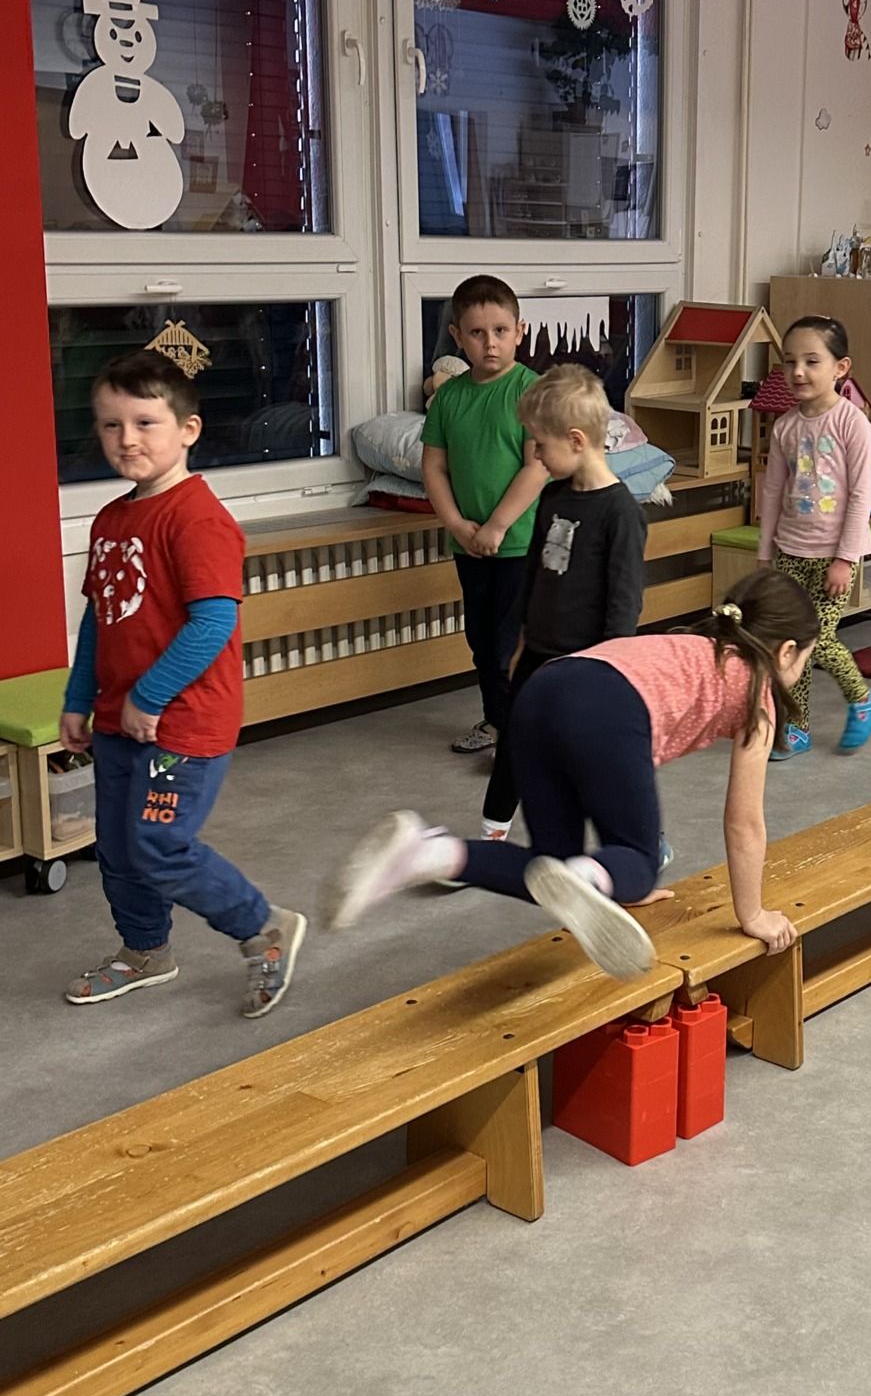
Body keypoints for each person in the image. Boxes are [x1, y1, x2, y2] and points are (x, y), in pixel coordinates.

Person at [323, 570, 818, 979]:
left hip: (544, 690)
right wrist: (753, 914)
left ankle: (424, 853)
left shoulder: (691, 645)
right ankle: (587, 877)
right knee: (639, 862)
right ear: (786, 651)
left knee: (550, 869)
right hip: (607, 709)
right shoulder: (758, 695)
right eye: (807, 659)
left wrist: (616, 879)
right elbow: (744, 823)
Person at [58, 352, 305, 1014]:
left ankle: (263, 927)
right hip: (118, 719)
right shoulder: (111, 520)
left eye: (145, 422)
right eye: (111, 425)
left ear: (188, 429)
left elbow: (212, 623)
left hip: (183, 724)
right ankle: (145, 952)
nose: (127, 439)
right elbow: (102, 618)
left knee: (159, 845)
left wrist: (149, 695)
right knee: (118, 848)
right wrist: (79, 699)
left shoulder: (197, 519)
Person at [479, 364, 646, 841]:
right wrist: (521, 641)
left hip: (589, 663)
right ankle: (491, 834)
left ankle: (641, 836)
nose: (534, 454)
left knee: (591, 759)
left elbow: (624, 602)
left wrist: (609, 672)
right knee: (515, 740)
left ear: (575, 440)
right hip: (538, 654)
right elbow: (534, 574)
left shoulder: (621, 513)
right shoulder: (553, 497)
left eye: (540, 444)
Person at [421, 276, 547, 755]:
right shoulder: (450, 398)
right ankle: (497, 722)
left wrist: (497, 526)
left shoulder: (531, 391)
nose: (489, 343)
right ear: (457, 336)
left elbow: (537, 465)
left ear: (519, 331)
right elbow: (434, 467)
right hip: (469, 544)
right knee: (480, 638)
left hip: (519, 543)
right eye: (477, 333)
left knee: (508, 644)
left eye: (500, 331)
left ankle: (521, 731)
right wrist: (458, 525)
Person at [756, 316, 871, 758]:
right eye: (789, 362)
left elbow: (863, 493)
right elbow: (772, 490)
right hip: (791, 550)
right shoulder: (785, 427)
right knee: (789, 644)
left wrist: (845, 559)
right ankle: (797, 726)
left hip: (834, 555)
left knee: (817, 640)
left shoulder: (853, 424)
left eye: (811, 361)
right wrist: (765, 553)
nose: (798, 372)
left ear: (840, 368)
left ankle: (862, 699)